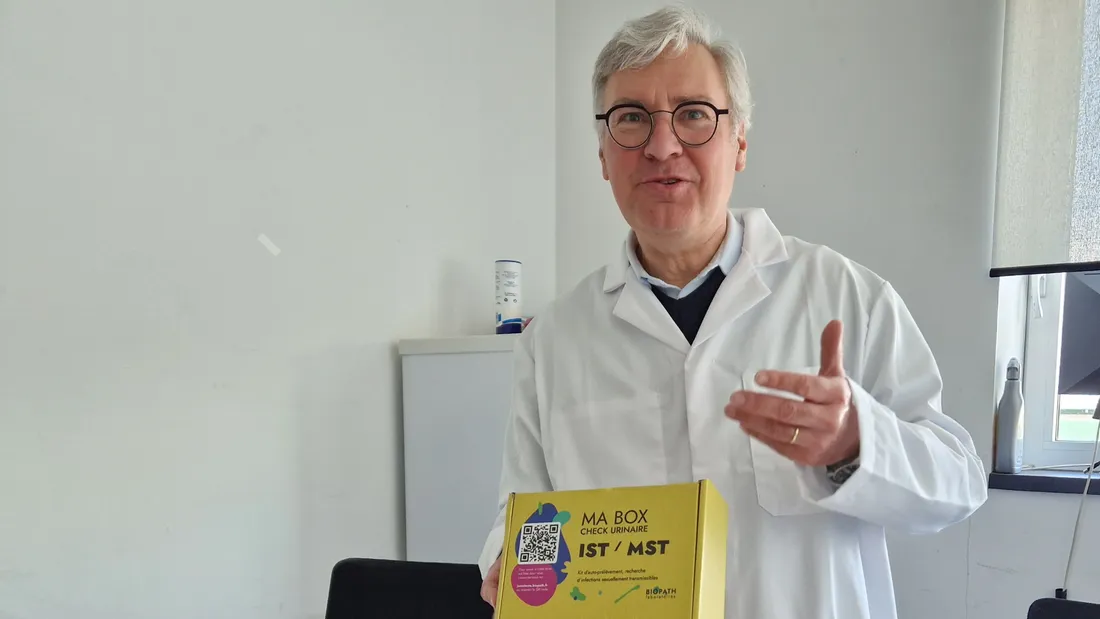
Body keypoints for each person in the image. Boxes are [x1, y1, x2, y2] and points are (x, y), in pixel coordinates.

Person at [477, 6, 988, 619]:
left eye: (693, 114)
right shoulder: (554, 340)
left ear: (739, 141)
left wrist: (856, 443)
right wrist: (506, 562)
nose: (662, 146)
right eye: (631, 119)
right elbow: (523, 510)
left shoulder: (847, 297)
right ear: (603, 154)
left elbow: (958, 483)